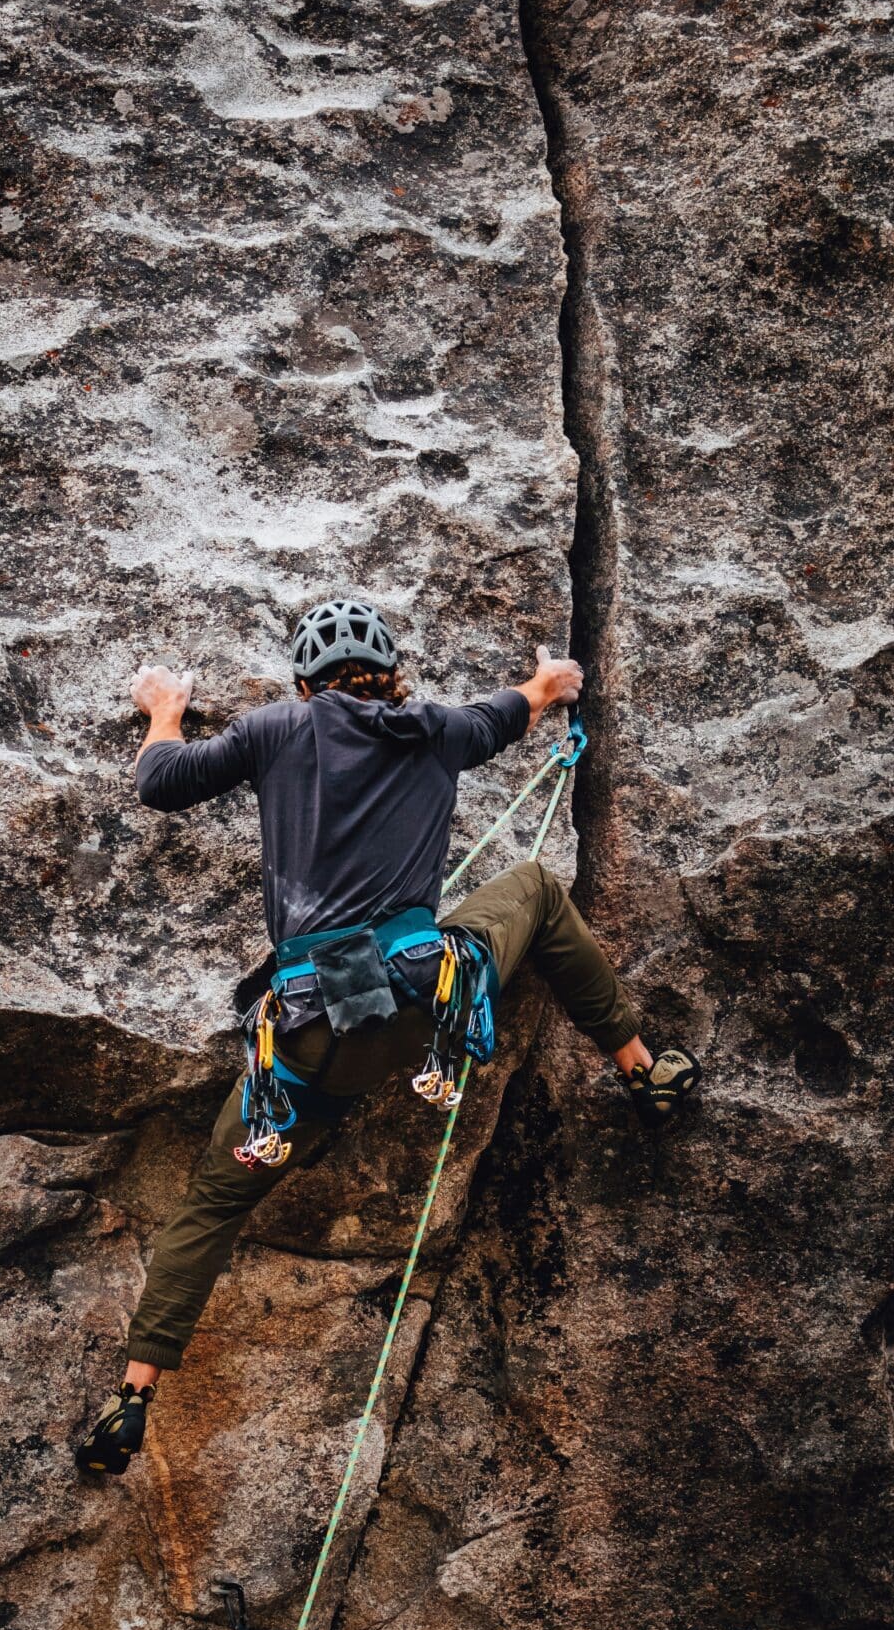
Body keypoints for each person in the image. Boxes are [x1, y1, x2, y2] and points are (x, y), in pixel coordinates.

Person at [76, 598, 701, 1477]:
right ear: (390, 671)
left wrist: (165, 710)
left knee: (213, 1204)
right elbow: (524, 701)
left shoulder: (274, 729)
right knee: (531, 888)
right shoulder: (439, 730)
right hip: (421, 1005)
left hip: (301, 1045)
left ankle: (132, 1397)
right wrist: (553, 681)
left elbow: (160, 781)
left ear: (304, 682)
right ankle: (643, 1069)